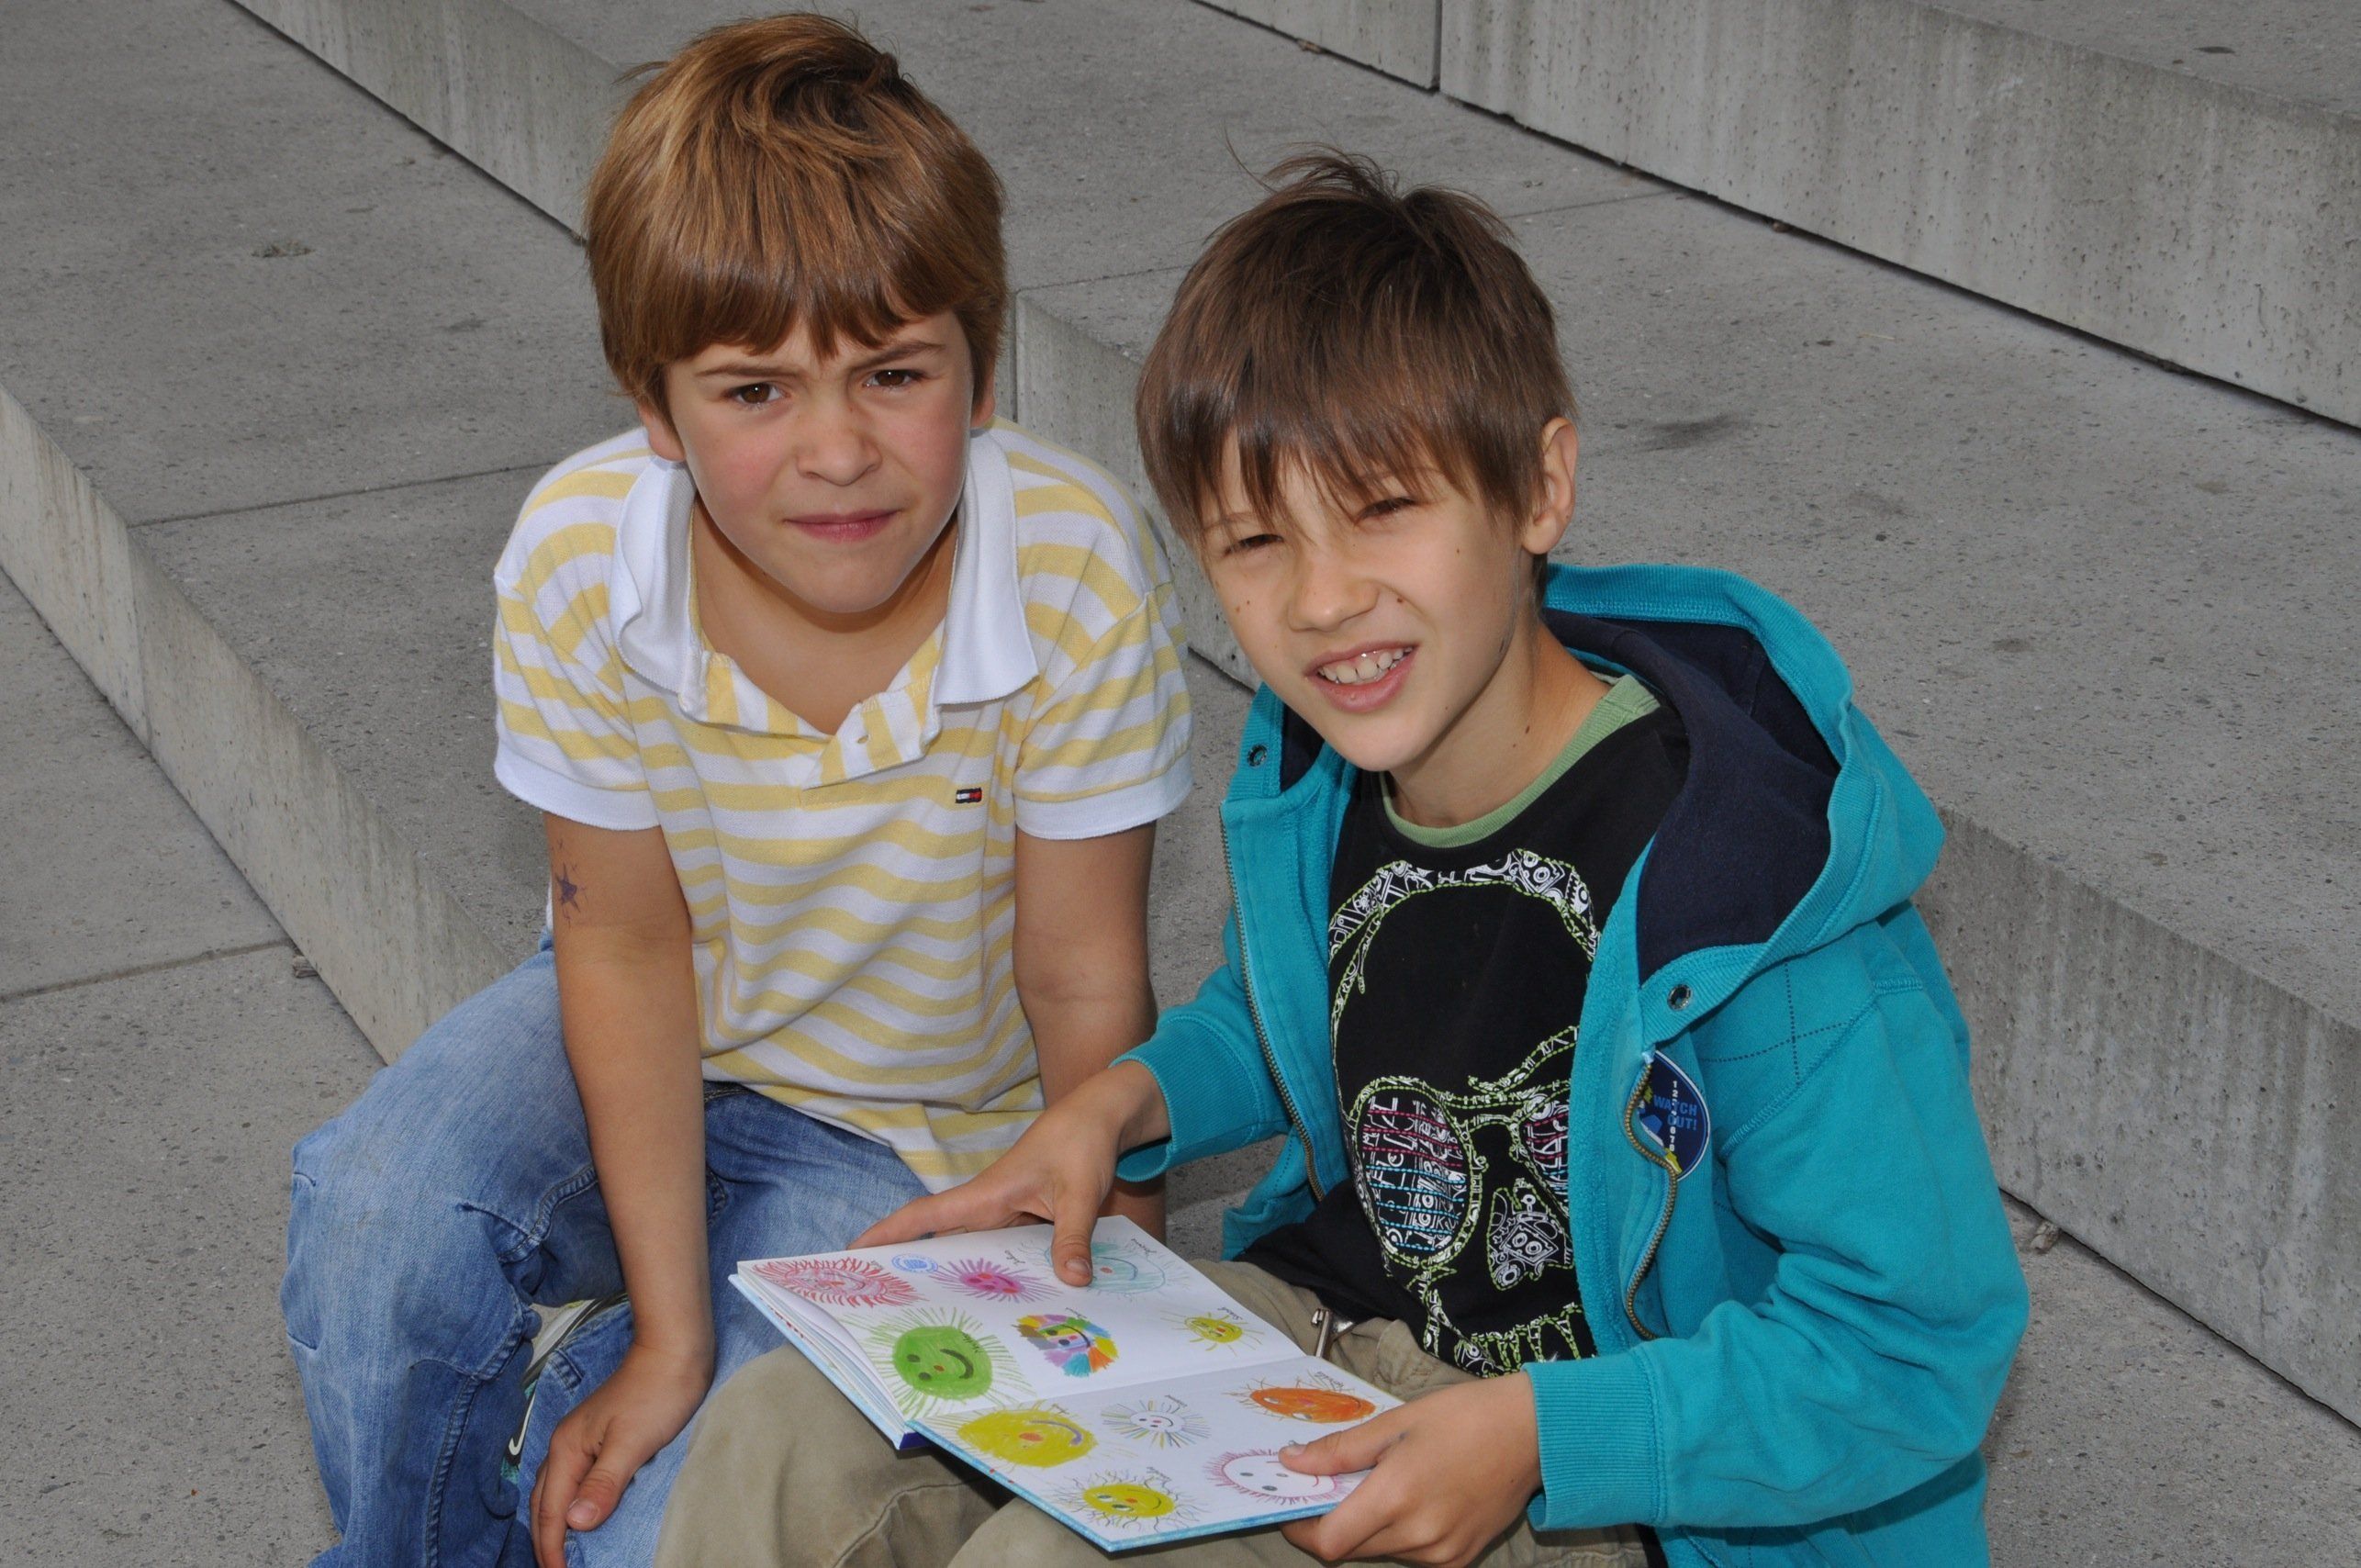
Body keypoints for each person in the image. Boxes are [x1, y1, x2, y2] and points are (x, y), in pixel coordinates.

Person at [654, 151, 2029, 1568]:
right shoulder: (1329, 780)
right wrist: (1123, 1104)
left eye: (1381, 509)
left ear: (1538, 487)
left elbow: (1916, 1348)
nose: (1320, 600)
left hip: (1606, 1479)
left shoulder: (1753, 888)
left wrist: (1545, 1435)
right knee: (785, 1432)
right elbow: (1296, 1013)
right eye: (1255, 541)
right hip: (1322, 1341)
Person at [278, 16, 1194, 1567]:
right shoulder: (584, 557)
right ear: (656, 408)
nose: (836, 451)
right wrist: (670, 1340)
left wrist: (1126, 1304)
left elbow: (1083, 973)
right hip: (650, 1033)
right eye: (755, 391)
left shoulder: (1074, 564)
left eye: (892, 374)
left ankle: (594, 1411)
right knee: (380, 1211)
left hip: (915, 1134)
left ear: (982, 371)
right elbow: (626, 946)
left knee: (665, 1535)